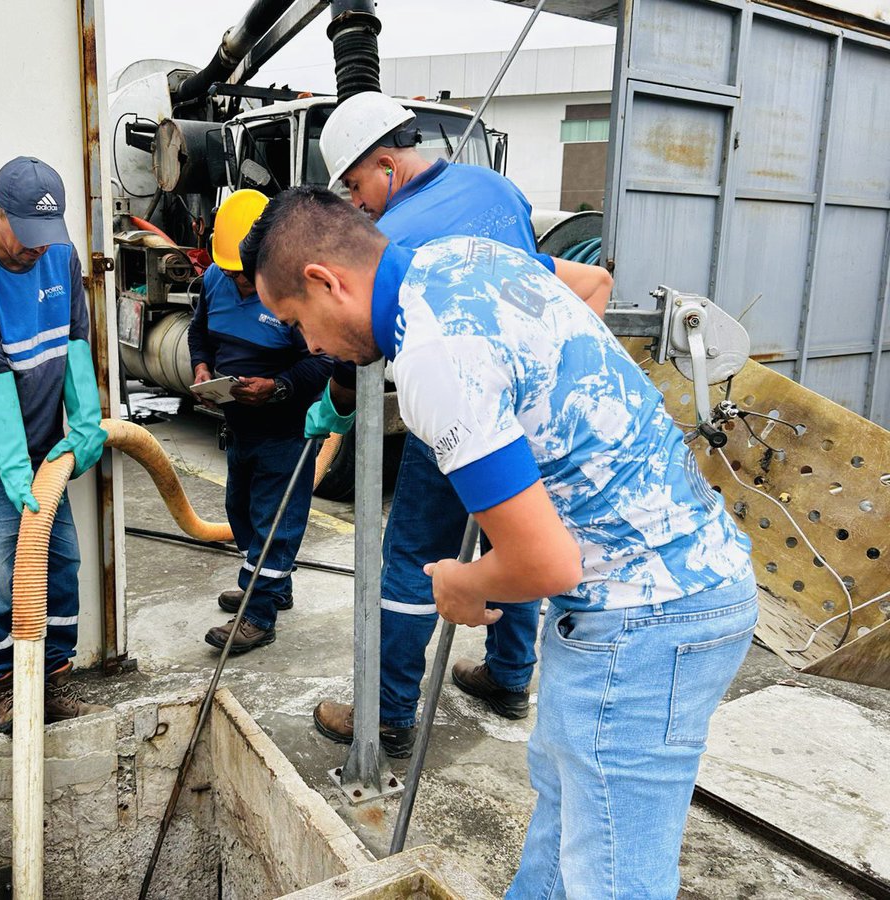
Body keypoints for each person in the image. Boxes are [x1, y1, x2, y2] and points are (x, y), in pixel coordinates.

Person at [242, 187, 757, 898]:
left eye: (298, 322)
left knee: (613, 875)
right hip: (672, 582)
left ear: (325, 281)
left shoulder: (431, 359)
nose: (312, 347)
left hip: (645, 613)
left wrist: (464, 585)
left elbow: (544, 562)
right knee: (565, 816)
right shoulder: (464, 254)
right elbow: (586, 286)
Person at [307, 92, 614, 758]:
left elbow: (363, 337)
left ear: (386, 162)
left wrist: (336, 400)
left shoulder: (397, 235)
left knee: (416, 559)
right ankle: (507, 677)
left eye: (357, 184)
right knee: (518, 535)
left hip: (461, 403)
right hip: (532, 405)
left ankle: (386, 713)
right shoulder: (498, 186)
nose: (356, 202)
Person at [0, 156, 106, 730]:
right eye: (26, 236)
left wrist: (85, 424)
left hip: (44, 450)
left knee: (59, 564)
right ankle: (7, 688)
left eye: (45, 238)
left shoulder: (59, 255)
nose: (36, 251)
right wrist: (13, 469)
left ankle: (53, 680)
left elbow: (77, 345)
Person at [187, 189, 332, 654]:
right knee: (242, 514)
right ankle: (272, 585)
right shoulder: (214, 279)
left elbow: (323, 362)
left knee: (275, 525)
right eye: (234, 272)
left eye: (247, 275)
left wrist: (278, 388)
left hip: (285, 431)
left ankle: (259, 614)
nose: (241, 283)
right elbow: (199, 333)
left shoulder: (297, 291)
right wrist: (203, 366)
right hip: (238, 427)